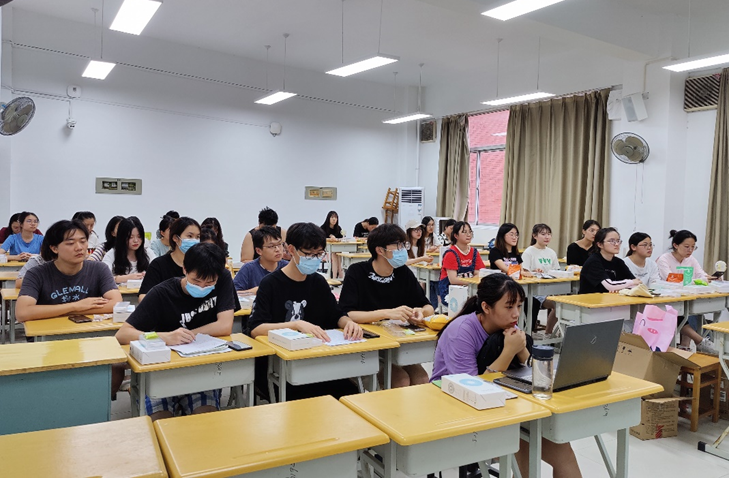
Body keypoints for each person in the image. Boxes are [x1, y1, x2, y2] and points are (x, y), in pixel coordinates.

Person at [432, 274, 582, 478]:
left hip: (501, 401)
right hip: (454, 405)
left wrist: (521, 350)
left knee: (562, 450)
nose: (516, 314)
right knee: (521, 438)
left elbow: (531, 369)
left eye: (519, 306)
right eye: (509, 307)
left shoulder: (508, 326)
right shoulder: (461, 332)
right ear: (486, 307)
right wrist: (509, 351)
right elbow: (471, 387)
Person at [116, 243, 237, 420]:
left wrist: (188, 335)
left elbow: (225, 325)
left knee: (206, 419)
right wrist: (165, 337)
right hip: (162, 371)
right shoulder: (162, 293)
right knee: (161, 420)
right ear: (185, 269)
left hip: (201, 369)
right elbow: (122, 334)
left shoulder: (223, 277)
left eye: (209, 283)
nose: (202, 287)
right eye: (196, 281)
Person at [248, 222, 363, 401]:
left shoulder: (318, 282)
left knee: (351, 396)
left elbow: (336, 315)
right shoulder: (270, 284)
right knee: (305, 401)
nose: (314, 259)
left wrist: (349, 323)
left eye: (319, 254)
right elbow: (256, 329)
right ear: (291, 249)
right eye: (308, 254)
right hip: (279, 366)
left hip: (317, 361)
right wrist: (296, 325)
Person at [339, 223, 433, 387]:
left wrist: (420, 312)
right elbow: (347, 314)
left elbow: (428, 307)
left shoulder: (403, 273)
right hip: (367, 346)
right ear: (380, 250)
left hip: (398, 344)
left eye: (403, 244)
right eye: (398, 245)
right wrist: (386, 313)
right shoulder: (357, 272)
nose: (402, 250)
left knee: (422, 378)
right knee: (400, 380)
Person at [15, 219, 121, 323]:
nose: (79, 248)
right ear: (54, 248)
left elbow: (116, 303)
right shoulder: (36, 274)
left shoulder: (99, 269)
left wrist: (67, 311)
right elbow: (22, 313)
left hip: (88, 332)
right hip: (49, 332)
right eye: (70, 243)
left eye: (83, 241)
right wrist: (75, 306)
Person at [656, 230, 717, 353]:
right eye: (687, 246)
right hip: (667, 299)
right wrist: (698, 280)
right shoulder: (664, 259)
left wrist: (710, 278)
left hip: (686, 296)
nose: (690, 250)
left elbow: (701, 274)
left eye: (693, 247)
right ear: (675, 245)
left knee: (692, 309)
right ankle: (699, 341)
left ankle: (686, 345)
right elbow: (671, 278)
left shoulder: (691, 259)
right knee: (681, 312)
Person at [139, 217, 200, 301]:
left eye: (197, 237)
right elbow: (143, 296)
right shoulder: (158, 265)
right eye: (190, 236)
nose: (194, 241)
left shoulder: (201, 264)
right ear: (175, 238)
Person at [521, 223, 560, 337]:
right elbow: (524, 272)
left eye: (549, 234)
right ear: (535, 236)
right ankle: (548, 333)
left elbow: (556, 271)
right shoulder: (529, 252)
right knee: (558, 305)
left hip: (550, 288)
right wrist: (534, 272)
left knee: (563, 303)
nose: (547, 237)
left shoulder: (551, 252)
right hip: (535, 291)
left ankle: (548, 333)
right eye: (543, 234)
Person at [579, 227, 639, 294]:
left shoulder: (619, 262)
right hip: (590, 299)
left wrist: (619, 287)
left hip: (609, 298)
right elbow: (610, 285)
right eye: (612, 241)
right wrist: (628, 283)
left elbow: (637, 284)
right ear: (600, 244)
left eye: (618, 241)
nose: (616, 244)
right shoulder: (593, 261)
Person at [438, 221, 486, 305]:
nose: (468, 235)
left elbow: (479, 273)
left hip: (469, 289)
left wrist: (471, 283)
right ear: (456, 235)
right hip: (451, 291)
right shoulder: (451, 254)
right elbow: (453, 280)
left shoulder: (474, 252)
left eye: (470, 232)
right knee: (469, 304)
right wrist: (472, 282)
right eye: (464, 232)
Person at [233, 226, 288, 294]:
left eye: (279, 244)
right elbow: (234, 293)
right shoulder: (248, 269)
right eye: (271, 246)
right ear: (259, 251)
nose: (277, 249)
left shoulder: (287, 267)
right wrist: (252, 292)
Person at [102, 217, 156, 284]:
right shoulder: (112, 254)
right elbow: (103, 277)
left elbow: (159, 272)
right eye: (131, 237)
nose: (135, 241)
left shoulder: (148, 252)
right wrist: (125, 278)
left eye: (139, 236)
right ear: (122, 237)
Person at [321, 211, 344, 278]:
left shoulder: (338, 228)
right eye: (332, 217)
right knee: (334, 254)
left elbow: (341, 238)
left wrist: (337, 239)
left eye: (336, 218)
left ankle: (338, 273)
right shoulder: (323, 228)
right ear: (328, 218)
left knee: (338, 253)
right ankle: (336, 275)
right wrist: (329, 239)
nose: (334, 219)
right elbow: (321, 239)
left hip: (337, 249)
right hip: (326, 250)